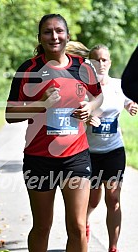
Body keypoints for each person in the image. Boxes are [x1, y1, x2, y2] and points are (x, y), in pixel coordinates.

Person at [5, 14, 103, 252]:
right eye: (47, 32)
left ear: (67, 36)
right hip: (39, 158)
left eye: (59, 31)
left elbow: (98, 96)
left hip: (76, 156)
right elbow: (10, 114)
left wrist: (89, 107)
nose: (54, 36)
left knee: (78, 227)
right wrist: (41, 104)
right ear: (40, 37)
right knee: (42, 227)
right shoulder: (29, 69)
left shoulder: (83, 67)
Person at [85, 44, 138, 252]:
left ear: (110, 62)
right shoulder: (84, 87)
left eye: (104, 60)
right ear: (89, 63)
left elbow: (127, 101)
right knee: (93, 199)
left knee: (113, 199)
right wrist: (86, 117)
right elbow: (73, 114)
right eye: (96, 60)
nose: (100, 63)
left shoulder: (118, 85)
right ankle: (85, 222)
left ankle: (113, 247)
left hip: (114, 151)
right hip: (89, 153)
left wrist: (131, 105)